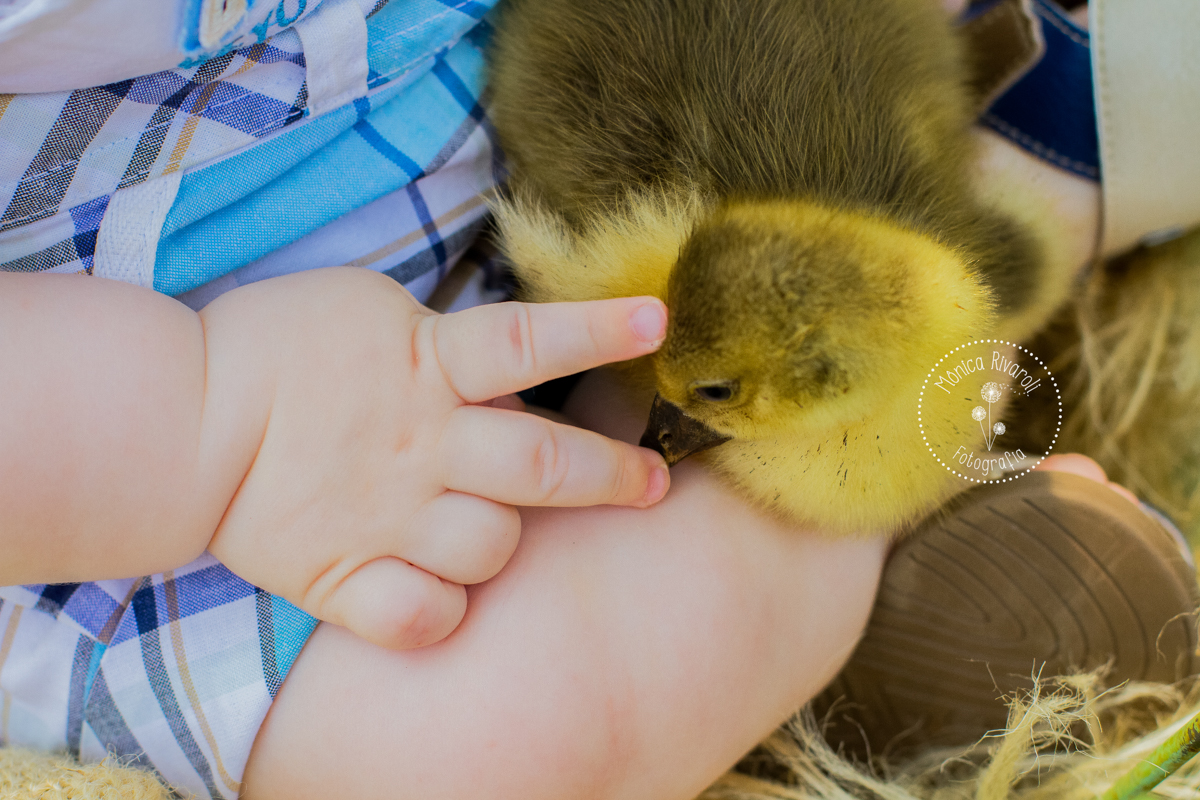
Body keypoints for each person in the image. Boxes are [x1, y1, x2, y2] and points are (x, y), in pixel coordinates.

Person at [0, 2, 1193, 800]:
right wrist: (221, 425)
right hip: (129, 493)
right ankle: (911, 398)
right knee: (485, 751)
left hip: (451, 77)